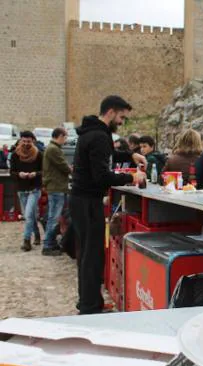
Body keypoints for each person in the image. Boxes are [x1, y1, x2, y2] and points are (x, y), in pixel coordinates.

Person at [71, 95, 145, 314]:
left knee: (87, 254)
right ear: (111, 112)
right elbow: (102, 177)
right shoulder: (99, 137)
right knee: (92, 256)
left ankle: (87, 302)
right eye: (121, 116)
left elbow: (108, 155)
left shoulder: (93, 133)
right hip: (88, 202)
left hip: (80, 201)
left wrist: (130, 155)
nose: (122, 122)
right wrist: (132, 178)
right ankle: (90, 308)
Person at [10, 131, 43, 251]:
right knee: (30, 215)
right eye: (24, 141)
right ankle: (37, 234)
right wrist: (20, 174)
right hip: (21, 189)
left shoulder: (39, 154)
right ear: (20, 141)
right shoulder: (15, 155)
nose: (26, 143)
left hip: (34, 188)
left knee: (28, 215)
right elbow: (12, 173)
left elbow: (44, 171)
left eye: (28, 141)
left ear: (33, 141)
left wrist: (36, 173)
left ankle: (26, 241)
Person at [42, 127, 71, 256]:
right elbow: (64, 166)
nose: (65, 140)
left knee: (55, 216)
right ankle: (48, 245)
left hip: (57, 186)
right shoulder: (53, 149)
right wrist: (71, 169)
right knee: (54, 217)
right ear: (60, 136)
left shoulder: (52, 148)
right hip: (56, 187)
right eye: (65, 137)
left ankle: (52, 243)